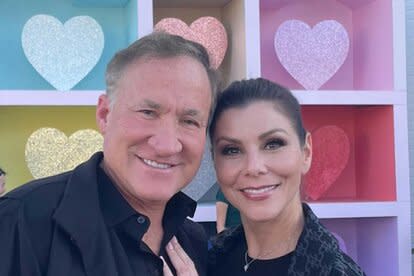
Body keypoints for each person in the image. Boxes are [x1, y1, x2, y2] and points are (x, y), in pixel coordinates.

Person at [0, 32, 219, 276]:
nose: (167, 145)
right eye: (147, 112)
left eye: (189, 121)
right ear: (105, 115)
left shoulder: (193, 241)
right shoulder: (19, 222)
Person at [207, 78, 365, 275]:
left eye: (273, 144)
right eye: (231, 150)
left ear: (306, 152)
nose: (254, 167)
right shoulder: (210, 258)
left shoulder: (334, 271)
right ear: (215, 161)